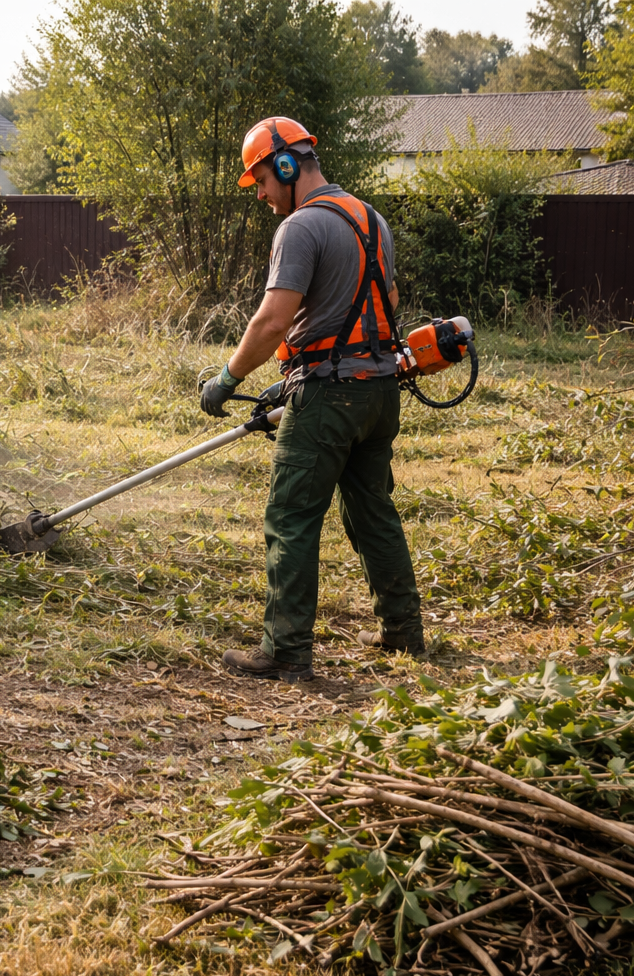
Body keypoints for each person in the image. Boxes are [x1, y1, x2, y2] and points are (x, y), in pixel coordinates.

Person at [200, 116, 425, 685]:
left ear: (285, 165)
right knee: (372, 510)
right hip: (378, 393)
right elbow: (387, 301)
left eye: (264, 184)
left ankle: (286, 652)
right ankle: (404, 632)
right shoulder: (370, 219)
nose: (265, 199)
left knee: (291, 516)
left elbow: (274, 318)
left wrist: (227, 378)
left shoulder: (301, 227)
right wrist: (302, 367)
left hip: (331, 397)